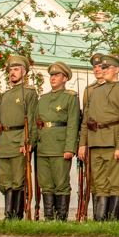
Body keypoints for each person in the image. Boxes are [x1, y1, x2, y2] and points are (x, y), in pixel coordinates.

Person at [78, 53, 119, 220]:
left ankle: (112, 221)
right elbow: (86, 121)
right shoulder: (94, 92)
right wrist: (83, 143)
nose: (102, 70)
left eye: (106, 67)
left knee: (116, 183)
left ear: (116, 69)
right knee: (99, 184)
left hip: (114, 141)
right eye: (101, 68)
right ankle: (100, 221)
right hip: (96, 142)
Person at [0, 54, 38, 219]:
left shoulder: (29, 93)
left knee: (18, 179)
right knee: (5, 180)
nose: (12, 73)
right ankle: (8, 214)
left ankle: (16, 215)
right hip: (5, 141)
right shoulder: (5, 95)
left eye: (16, 69)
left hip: (19, 139)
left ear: (24, 72)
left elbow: (32, 119)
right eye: (10, 70)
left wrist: (26, 141)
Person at [36, 61, 80, 220]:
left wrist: (70, 148)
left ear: (65, 78)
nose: (53, 78)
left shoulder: (70, 98)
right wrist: (32, 144)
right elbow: (37, 123)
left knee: (61, 184)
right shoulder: (43, 98)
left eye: (57, 75)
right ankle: (49, 218)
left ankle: (61, 219)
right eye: (52, 75)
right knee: (46, 184)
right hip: (43, 146)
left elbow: (73, 124)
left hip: (60, 146)